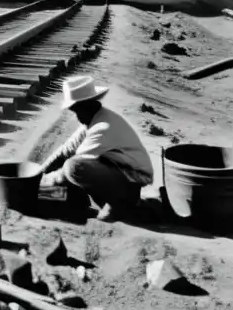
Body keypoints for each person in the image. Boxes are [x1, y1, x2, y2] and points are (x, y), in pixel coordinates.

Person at [39, 76, 154, 222]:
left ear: (87, 105)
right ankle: (86, 200)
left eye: (77, 111)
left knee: (73, 167)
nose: (77, 117)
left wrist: (44, 185)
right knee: (62, 180)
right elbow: (64, 151)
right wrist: (39, 174)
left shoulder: (103, 128)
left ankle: (120, 205)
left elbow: (74, 167)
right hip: (117, 174)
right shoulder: (93, 120)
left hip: (131, 183)